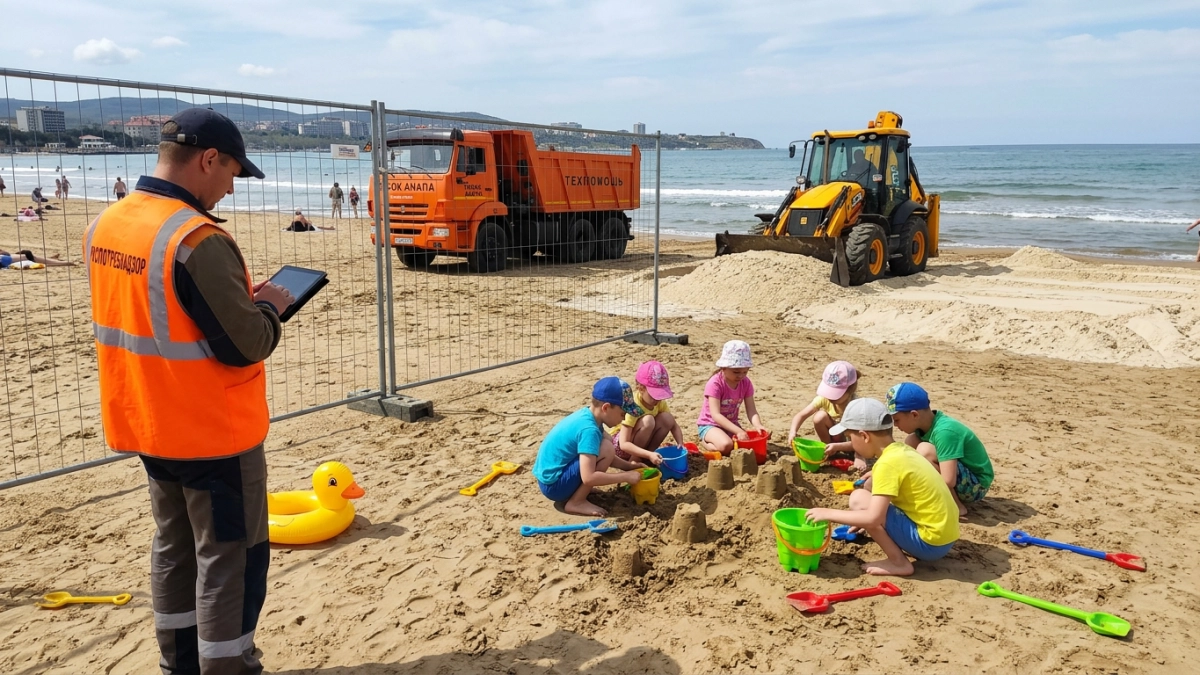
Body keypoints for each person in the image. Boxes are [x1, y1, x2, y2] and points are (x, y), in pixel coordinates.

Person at [84, 107, 293, 675]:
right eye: (232, 173)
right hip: (213, 431)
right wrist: (270, 309)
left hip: (147, 420)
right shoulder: (195, 238)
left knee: (175, 549)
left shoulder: (109, 223)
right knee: (231, 560)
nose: (230, 188)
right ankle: (229, 665)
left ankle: (178, 662)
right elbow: (244, 343)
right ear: (208, 159)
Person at [804, 398, 959, 577]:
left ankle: (899, 563)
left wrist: (827, 513)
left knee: (858, 499)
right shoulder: (901, 450)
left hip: (930, 544)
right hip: (945, 537)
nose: (851, 443)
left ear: (864, 436)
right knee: (869, 496)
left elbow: (872, 517)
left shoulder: (887, 464)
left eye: (850, 437)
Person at [532, 376, 644, 516]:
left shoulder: (589, 415)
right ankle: (577, 502)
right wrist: (625, 476)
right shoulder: (589, 430)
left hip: (551, 478)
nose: (624, 419)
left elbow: (600, 456)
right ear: (606, 408)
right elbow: (589, 477)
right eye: (622, 414)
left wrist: (630, 466)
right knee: (607, 447)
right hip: (554, 486)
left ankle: (580, 491)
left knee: (606, 444)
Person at [886, 382, 994, 521]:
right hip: (962, 477)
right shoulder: (926, 427)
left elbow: (948, 481)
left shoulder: (944, 431)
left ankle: (956, 506)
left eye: (897, 420)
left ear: (914, 415)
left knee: (925, 451)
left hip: (976, 485)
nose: (896, 425)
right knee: (911, 442)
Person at [697, 340, 770, 454]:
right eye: (736, 372)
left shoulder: (745, 383)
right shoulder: (715, 383)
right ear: (724, 367)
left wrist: (758, 425)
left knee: (746, 446)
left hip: (731, 424)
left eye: (745, 372)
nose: (741, 376)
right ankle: (704, 441)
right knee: (726, 446)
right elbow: (716, 415)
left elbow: (751, 410)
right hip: (710, 424)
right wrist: (738, 431)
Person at [611, 361, 685, 466]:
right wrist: (647, 454)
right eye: (654, 395)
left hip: (642, 446)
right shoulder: (633, 405)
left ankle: (645, 457)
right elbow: (624, 444)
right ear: (641, 389)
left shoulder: (659, 402)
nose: (657, 399)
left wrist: (680, 443)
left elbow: (674, 425)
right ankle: (635, 460)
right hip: (620, 448)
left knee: (667, 418)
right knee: (648, 420)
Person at [788, 361, 859, 460]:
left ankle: (856, 455)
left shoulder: (856, 406)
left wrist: (860, 456)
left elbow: (863, 439)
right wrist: (793, 431)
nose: (831, 397)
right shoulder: (825, 399)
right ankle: (827, 449)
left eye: (835, 394)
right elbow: (801, 415)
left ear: (850, 390)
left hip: (852, 443)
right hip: (835, 436)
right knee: (819, 416)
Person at [0, 247, 76, 268]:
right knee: (53, 263)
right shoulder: (2, 258)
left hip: (23, 257)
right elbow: (6, 254)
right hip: (27, 258)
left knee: (46, 261)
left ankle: (51, 258)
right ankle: (67, 263)